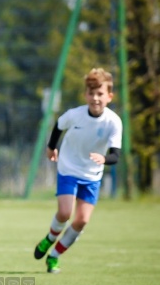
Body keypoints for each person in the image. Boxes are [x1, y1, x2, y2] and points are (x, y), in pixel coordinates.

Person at [33, 68, 122, 274]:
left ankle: (54, 256)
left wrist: (104, 158)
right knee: (65, 213)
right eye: (91, 94)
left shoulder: (113, 122)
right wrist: (51, 147)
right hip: (69, 167)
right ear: (85, 95)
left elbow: (116, 155)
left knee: (81, 220)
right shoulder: (75, 115)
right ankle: (49, 238)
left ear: (109, 96)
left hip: (92, 175)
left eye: (100, 94)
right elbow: (59, 125)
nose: (95, 98)